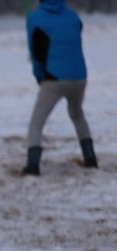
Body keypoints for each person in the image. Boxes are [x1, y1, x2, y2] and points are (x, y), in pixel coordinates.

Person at [23, 0, 97, 176]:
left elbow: (36, 53)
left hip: (54, 77)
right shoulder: (73, 16)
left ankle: (32, 167)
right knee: (77, 114)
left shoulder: (36, 18)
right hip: (79, 75)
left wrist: (40, 77)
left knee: (37, 122)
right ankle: (91, 159)